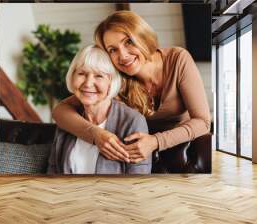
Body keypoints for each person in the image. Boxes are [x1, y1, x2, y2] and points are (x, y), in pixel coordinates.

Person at [52, 10, 211, 171]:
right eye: (112, 50)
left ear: (142, 36)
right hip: (135, 155)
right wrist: (95, 134)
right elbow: (60, 110)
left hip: (182, 151)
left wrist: (155, 142)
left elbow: (203, 122)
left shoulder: (178, 59)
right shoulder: (117, 79)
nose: (123, 55)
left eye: (128, 42)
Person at [47, 44, 152, 174]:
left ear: (111, 81)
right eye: (81, 73)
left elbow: (138, 184)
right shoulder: (68, 120)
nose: (88, 83)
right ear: (72, 76)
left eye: (99, 76)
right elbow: (52, 174)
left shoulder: (132, 121)